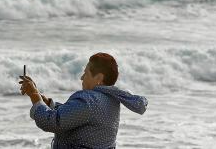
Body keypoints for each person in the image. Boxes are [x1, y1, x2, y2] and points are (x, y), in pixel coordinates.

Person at [19, 52, 148, 149]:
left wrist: (34, 94)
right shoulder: (111, 98)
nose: (81, 77)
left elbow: (52, 122)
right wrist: (46, 102)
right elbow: (75, 115)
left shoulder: (88, 100)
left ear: (99, 77)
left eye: (85, 73)